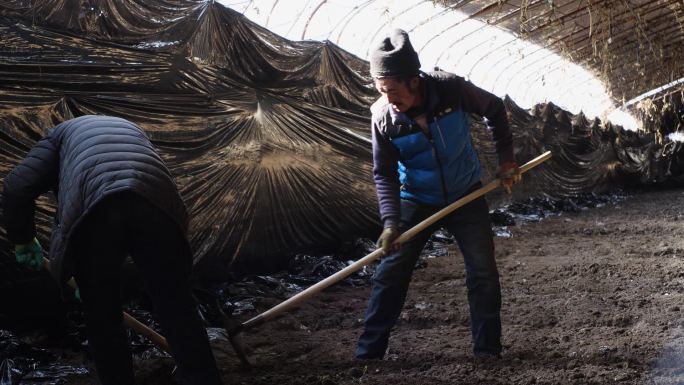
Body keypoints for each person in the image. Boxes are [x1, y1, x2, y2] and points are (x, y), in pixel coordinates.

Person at [2, 115, 223, 385]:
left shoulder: (57, 136)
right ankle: (203, 378)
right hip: (156, 199)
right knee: (176, 303)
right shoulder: (130, 128)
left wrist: (23, 238)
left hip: (98, 208)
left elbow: (16, 186)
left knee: (102, 315)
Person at [356, 29, 521, 360]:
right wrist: (390, 223)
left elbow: (495, 109)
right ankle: (368, 355)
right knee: (390, 272)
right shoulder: (384, 119)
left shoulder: (451, 89)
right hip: (416, 197)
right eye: (380, 90)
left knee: (482, 272)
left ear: (414, 81)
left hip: (465, 193)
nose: (388, 98)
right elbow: (384, 173)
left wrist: (506, 161)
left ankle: (487, 351)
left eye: (392, 90)